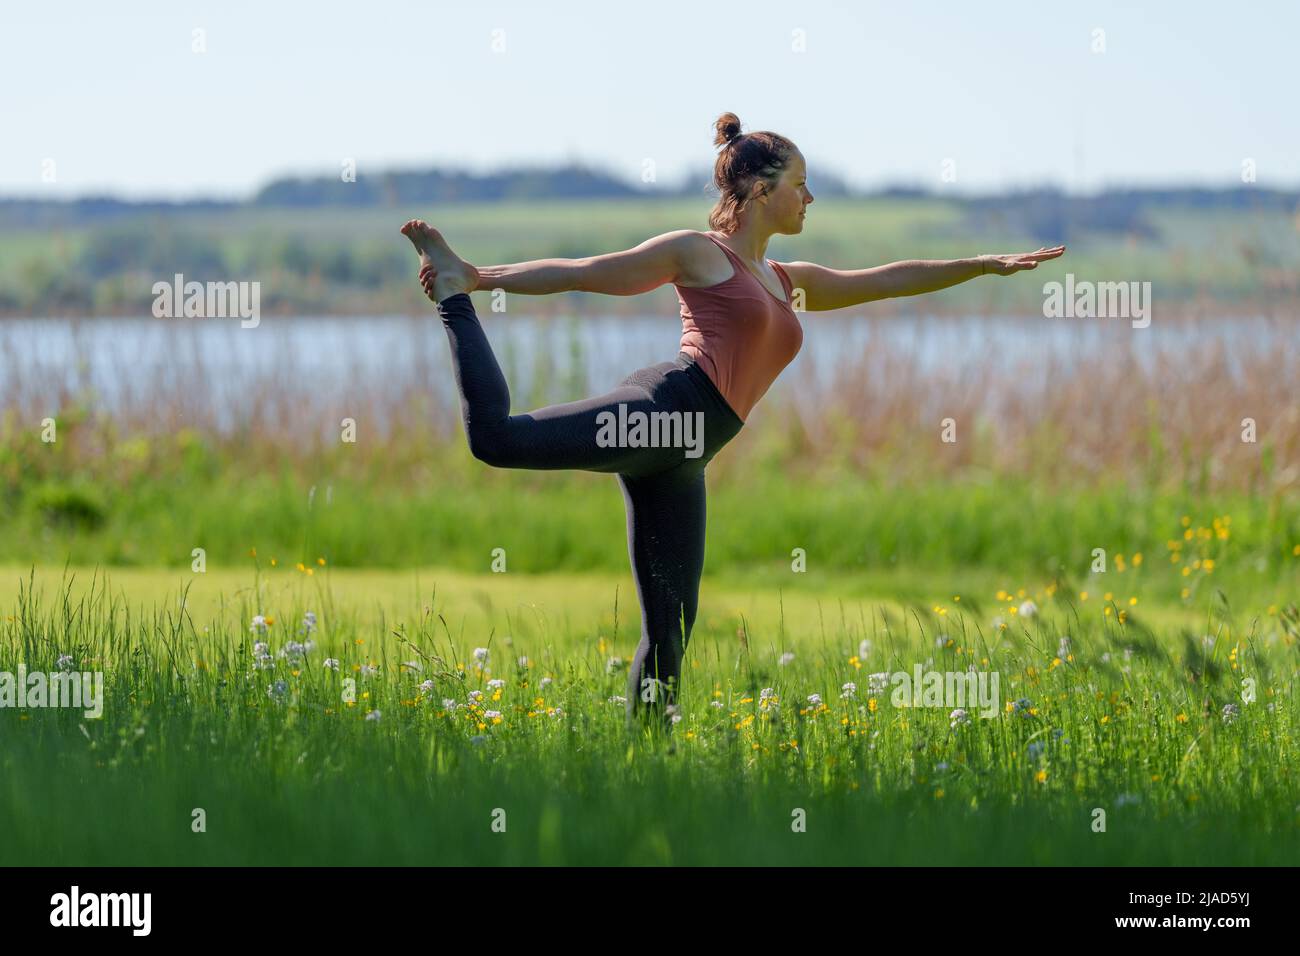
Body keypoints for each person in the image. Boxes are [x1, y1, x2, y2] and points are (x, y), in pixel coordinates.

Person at [400, 111, 1064, 733]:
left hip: (688, 455)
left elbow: (887, 279)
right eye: (800, 185)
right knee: (498, 439)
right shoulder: (700, 254)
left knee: (671, 628)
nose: (810, 199)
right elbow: (588, 273)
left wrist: (983, 265)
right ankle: (454, 298)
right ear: (759, 187)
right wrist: (482, 278)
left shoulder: (783, 278)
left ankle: (644, 764)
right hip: (662, 415)